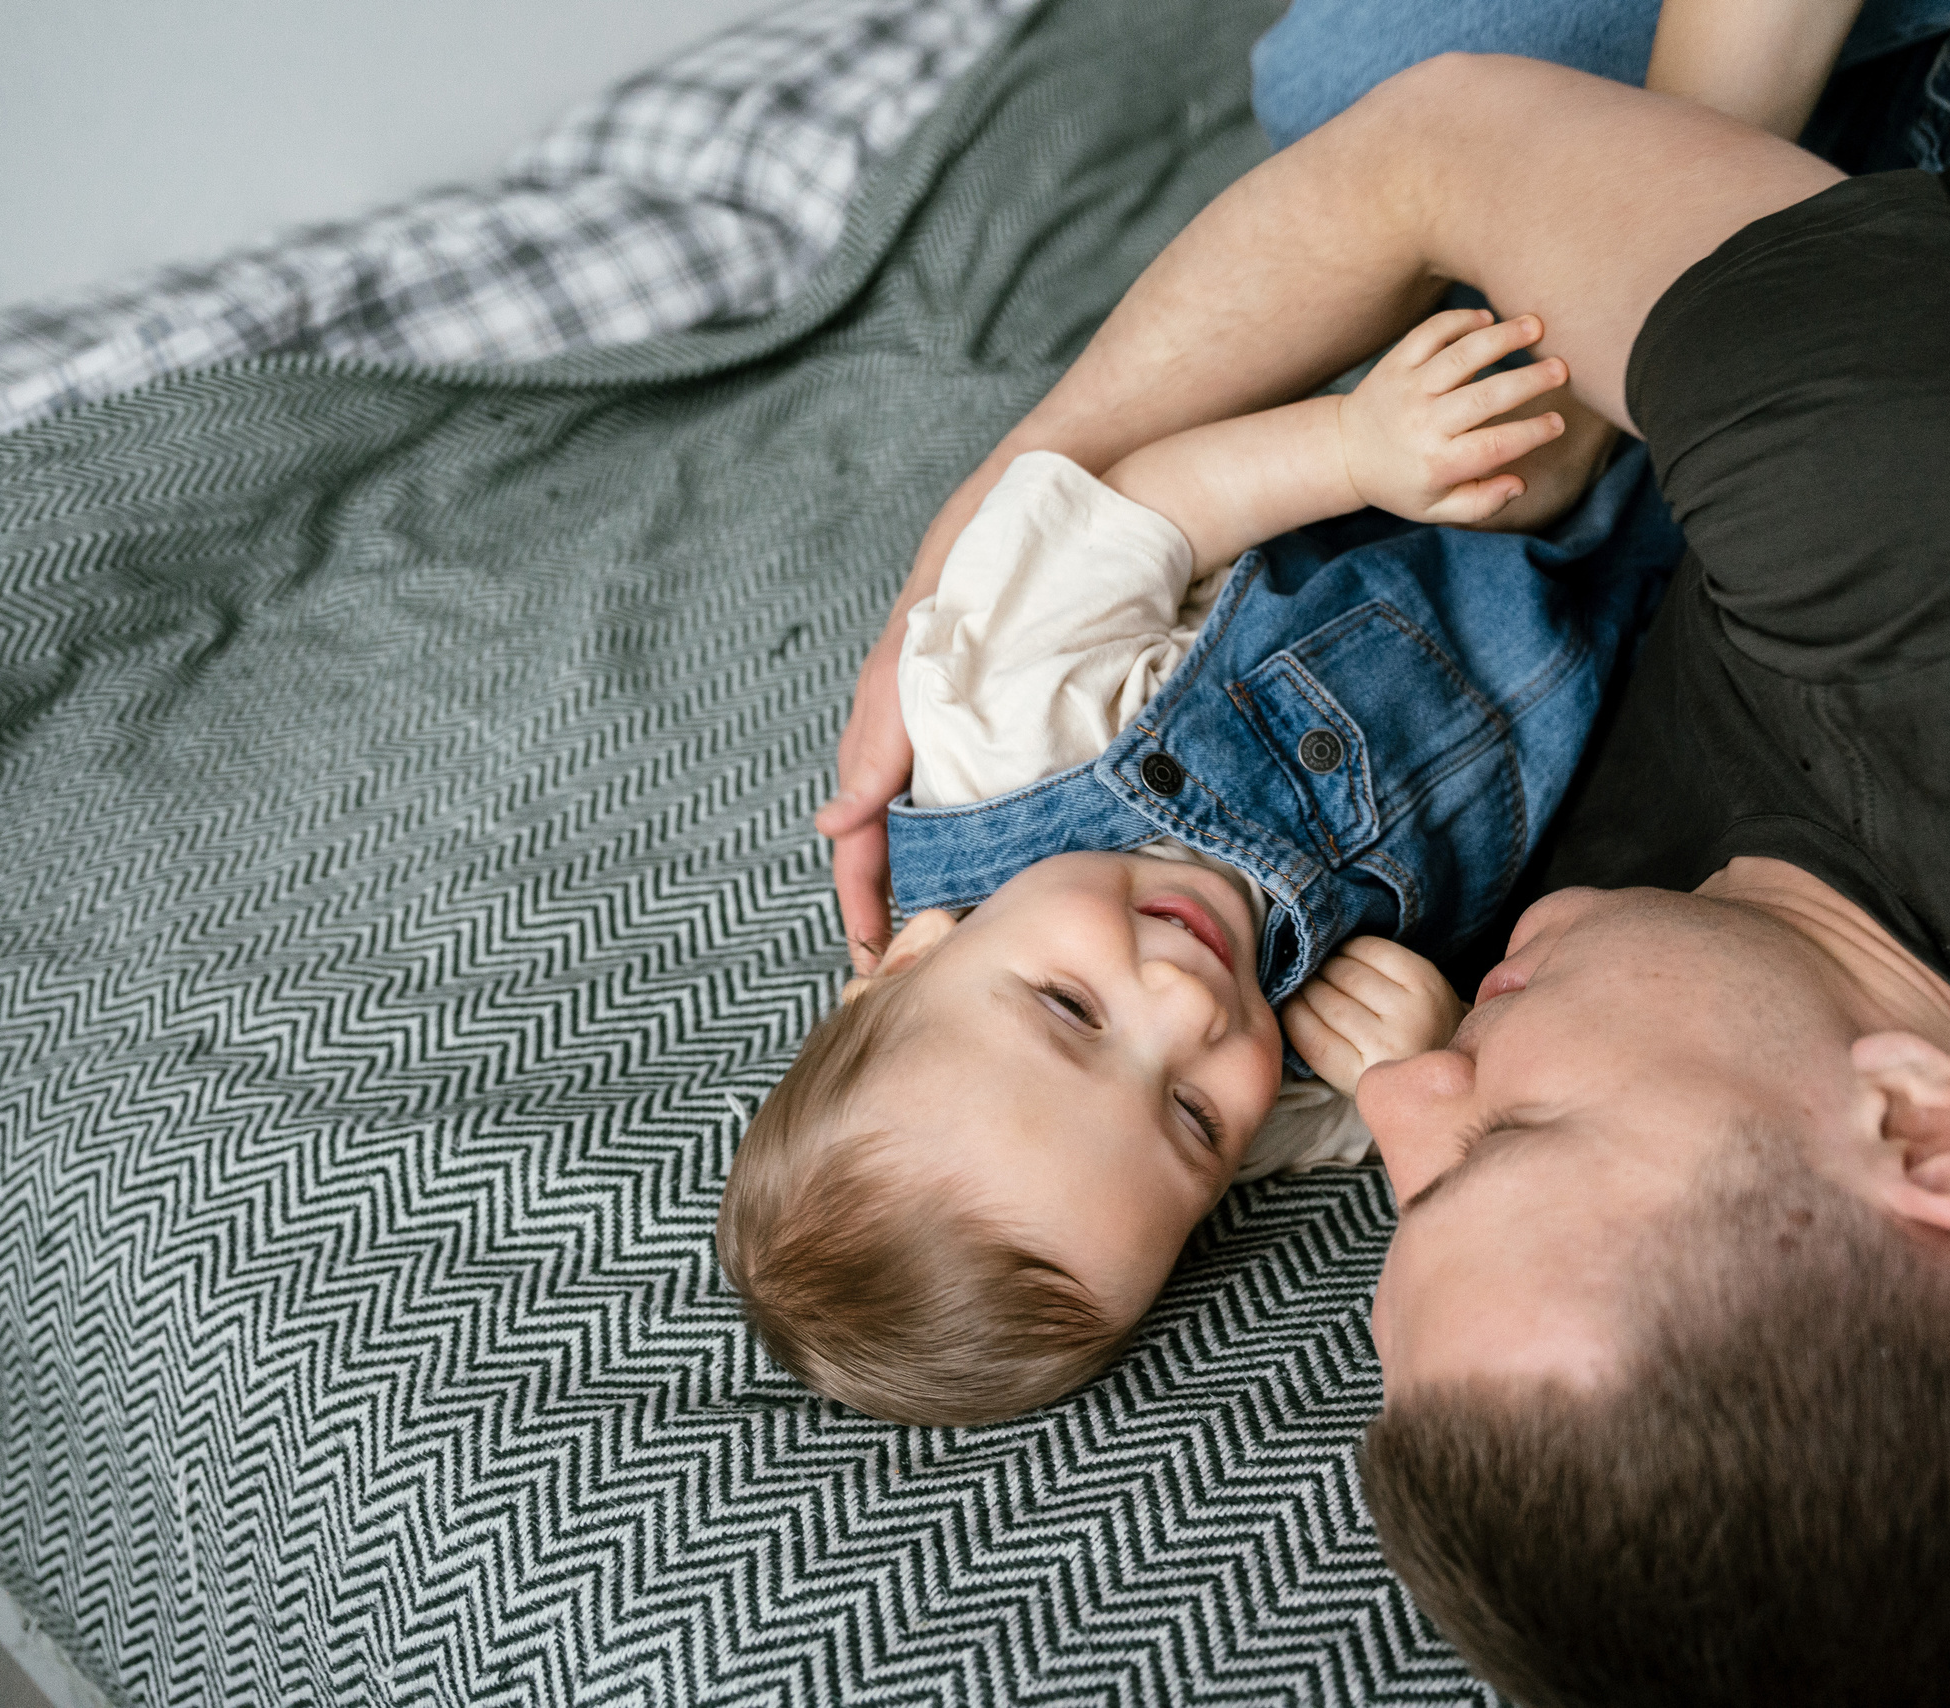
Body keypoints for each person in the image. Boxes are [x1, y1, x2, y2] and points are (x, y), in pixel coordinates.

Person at [815, 0, 1950, 1696]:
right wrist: (1004, 512)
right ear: (1920, 1129)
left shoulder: (1760, 992)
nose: (1400, 1093)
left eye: (1421, 1186)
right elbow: (1450, 142)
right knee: (1348, 84)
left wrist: (993, 526)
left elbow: (1453, 158)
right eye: (1504, 1137)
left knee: (1341, 93)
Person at [720, 309, 1680, 1425]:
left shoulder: (1005, 723)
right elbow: (1390, 1121)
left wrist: (1352, 447)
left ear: (912, 956)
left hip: (1460, 445)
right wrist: (1431, 1056)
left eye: (1071, 1009)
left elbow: (1146, 512)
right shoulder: (1279, 1109)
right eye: (1190, 1117)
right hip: (1646, 612)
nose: (1187, 1008)